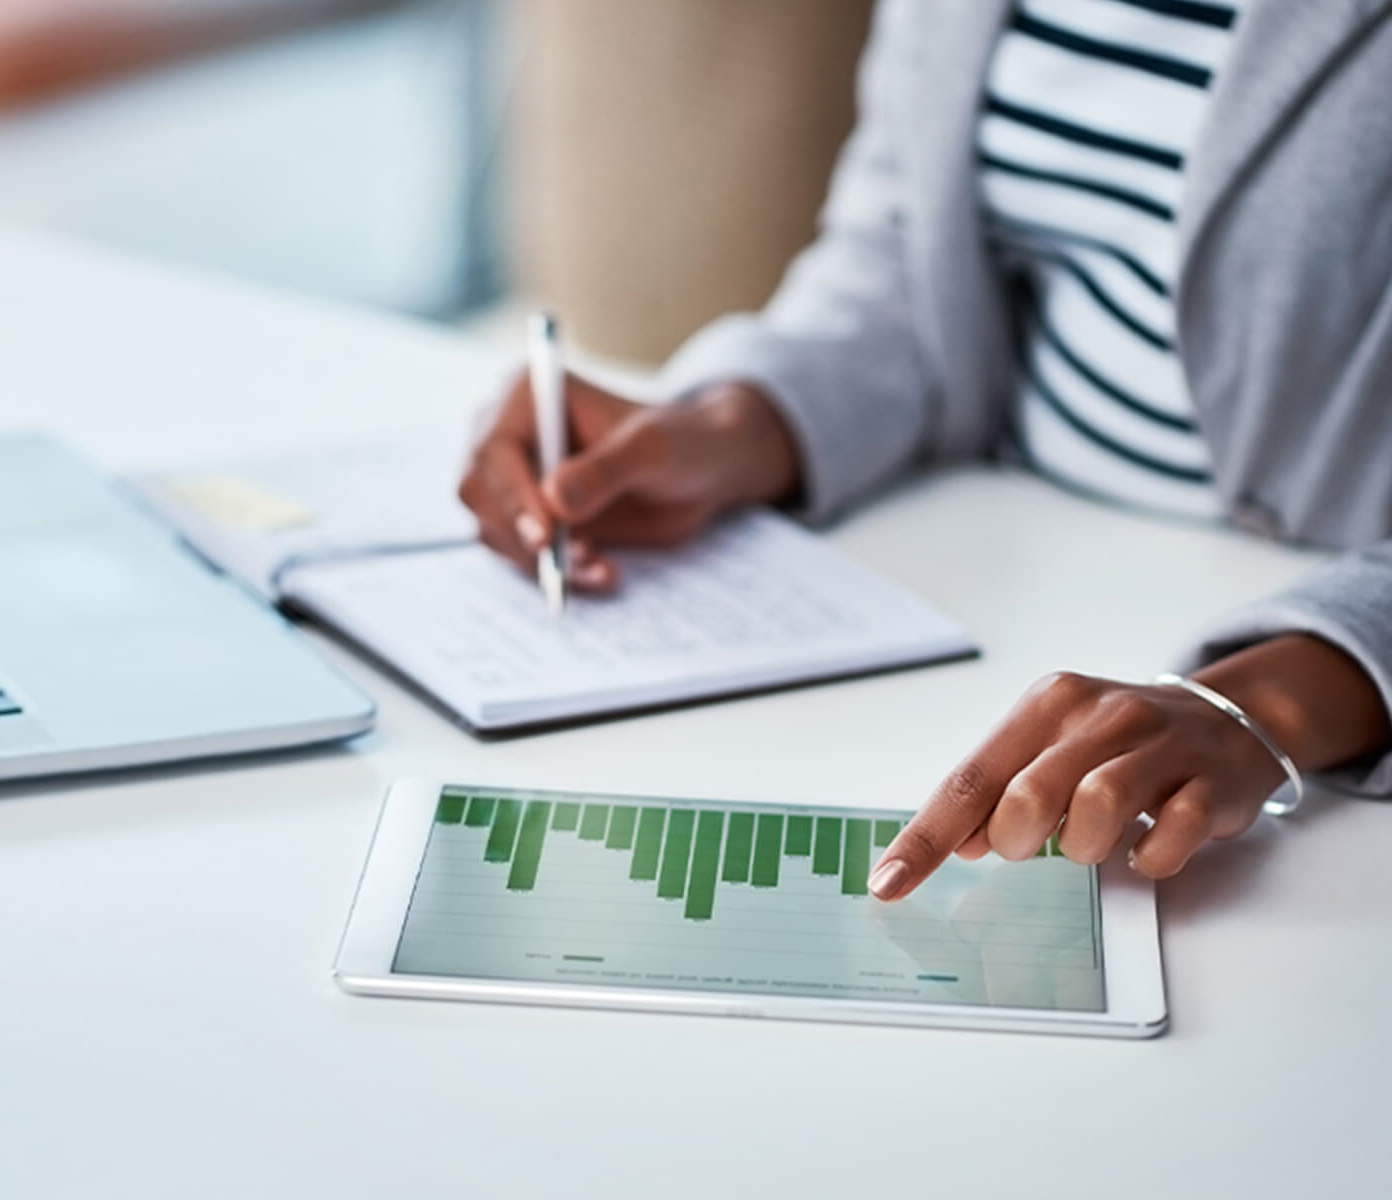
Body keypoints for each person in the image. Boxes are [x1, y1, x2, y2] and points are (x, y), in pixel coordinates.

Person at [458, 0, 1392, 900]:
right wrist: (739, 420)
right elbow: (908, 254)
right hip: (1001, 568)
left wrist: (1285, 696)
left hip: (1316, 671)